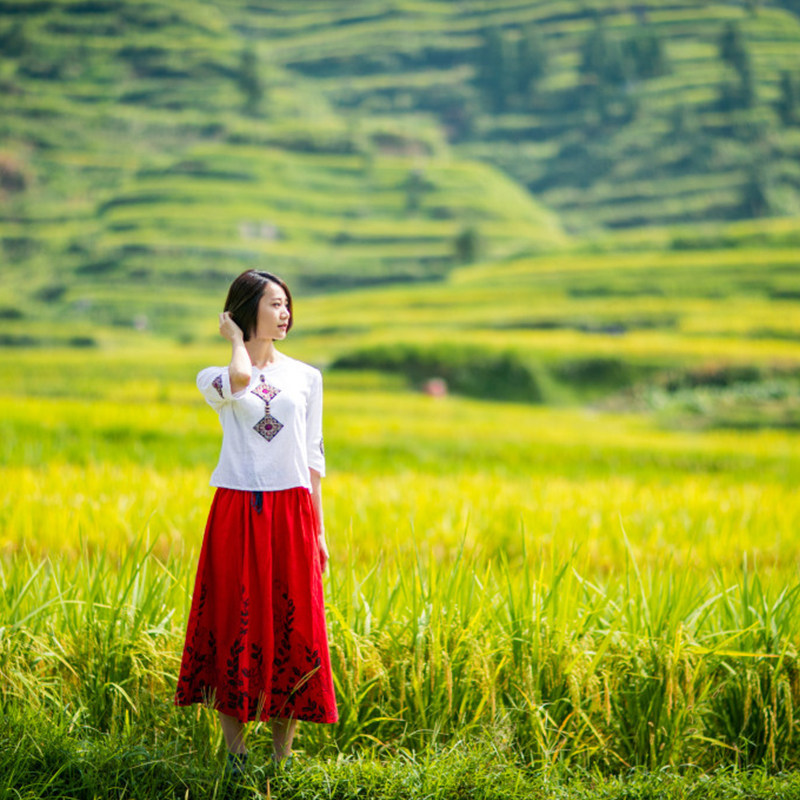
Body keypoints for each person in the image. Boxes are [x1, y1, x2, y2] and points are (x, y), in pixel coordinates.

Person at [174, 269, 338, 774]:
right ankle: (236, 756)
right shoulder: (215, 376)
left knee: (294, 623)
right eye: (274, 304)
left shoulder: (307, 376)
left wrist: (319, 530)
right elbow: (242, 380)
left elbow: (312, 458)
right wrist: (234, 339)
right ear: (247, 309)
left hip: (291, 510)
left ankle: (283, 756)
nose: (285, 312)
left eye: (288, 304)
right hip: (237, 508)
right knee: (232, 619)